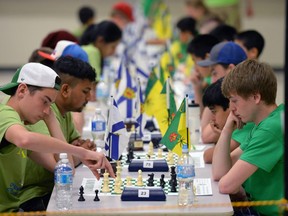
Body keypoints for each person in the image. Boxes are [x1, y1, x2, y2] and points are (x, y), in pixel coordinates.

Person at [0, 63, 114, 212]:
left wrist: (51, 119)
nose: (47, 110)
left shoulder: (22, 124)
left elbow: (65, 169)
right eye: (45, 101)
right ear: (22, 90)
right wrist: (82, 152)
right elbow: (25, 139)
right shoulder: (4, 114)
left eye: (51, 104)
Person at [212, 59, 284, 215]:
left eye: (234, 100)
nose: (232, 108)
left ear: (256, 97)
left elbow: (226, 185)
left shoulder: (271, 128)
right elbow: (220, 172)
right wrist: (226, 130)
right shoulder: (264, 123)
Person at [197, 41, 247, 144]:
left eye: (214, 73)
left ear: (231, 70)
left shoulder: (239, 107)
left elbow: (205, 136)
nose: (211, 81)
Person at [202, 77, 254, 163]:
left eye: (214, 112)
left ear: (230, 108)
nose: (212, 118)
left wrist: (224, 133)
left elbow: (209, 156)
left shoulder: (245, 125)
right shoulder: (237, 126)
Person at [80, 20, 122, 100]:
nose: (114, 52)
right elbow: (93, 91)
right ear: (100, 41)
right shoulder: (93, 52)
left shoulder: (89, 49)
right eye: (113, 47)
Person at [187, 34, 219, 113]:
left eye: (195, 60)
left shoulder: (217, 83)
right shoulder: (209, 80)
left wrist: (197, 88)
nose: (195, 67)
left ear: (207, 58)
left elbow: (200, 118)